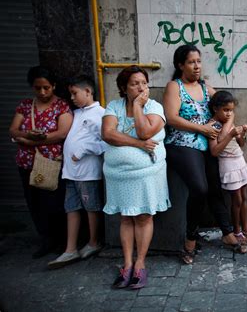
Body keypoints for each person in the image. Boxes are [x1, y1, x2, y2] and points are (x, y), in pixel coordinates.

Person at [163, 44, 241, 265]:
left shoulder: (207, 88)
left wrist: (225, 127)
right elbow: (171, 118)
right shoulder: (174, 86)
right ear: (180, 65)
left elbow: (229, 108)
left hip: (208, 144)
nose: (196, 66)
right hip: (182, 144)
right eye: (191, 62)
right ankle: (189, 239)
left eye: (198, 61)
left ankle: (227, 233)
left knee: (215, 187)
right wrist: (203, 128)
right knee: (200, 188)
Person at [102, 66, 170, 289]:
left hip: (145, 176)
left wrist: (139, 106)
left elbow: (145, 131)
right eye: (134, 83)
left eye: (144, 82)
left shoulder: (154, 107)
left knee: (142, 216)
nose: (141, 87)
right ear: (124, 87)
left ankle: (140, 264)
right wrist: (139, 145)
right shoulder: (114, 106)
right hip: (119, 176)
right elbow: (108, 134)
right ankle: (127, 264)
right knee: (125, 217)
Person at [9, 66, 73, 258]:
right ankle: (45, 240)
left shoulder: (61, 106)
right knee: (34, 204)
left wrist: (29, 140)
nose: (43, 92)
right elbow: (13, 130)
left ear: (53, 86)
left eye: (46, 87)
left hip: (50, 163)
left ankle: (62, 241)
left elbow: (62, 133)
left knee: (53, 204)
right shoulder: (25, 106)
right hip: (27, 164)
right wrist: (25, 135)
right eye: (38, 88)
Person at [47, 75, 106, 269]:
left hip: (88, 172)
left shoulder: (100, 114)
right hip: (71, 172)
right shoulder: (77, 113)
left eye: (75, 93)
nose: (71, 97)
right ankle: (70, 248)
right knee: (71, 208)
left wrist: (84, 149)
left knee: (91, 208)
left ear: (88, 91)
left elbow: (105, 143)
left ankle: (94, 242)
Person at [208, 91, 247, 251]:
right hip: (228, 165)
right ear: (215, 109)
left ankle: (246, 229)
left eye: (231, 110)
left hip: (239, 161)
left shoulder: (229, 123)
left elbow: (240, 144)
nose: (229, 113)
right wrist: (230, 134)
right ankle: (237, 231)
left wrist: (242, 134)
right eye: (225, 110)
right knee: (236, 199)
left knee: (244, 197)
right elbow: (214, 151)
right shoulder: (212, 126)